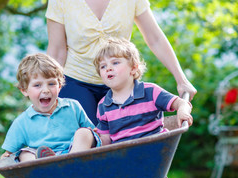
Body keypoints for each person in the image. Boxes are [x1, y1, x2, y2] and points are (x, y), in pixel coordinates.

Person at [46, 0, 197, 125]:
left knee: (128, 134)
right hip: (76, 82)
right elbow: (57, 51)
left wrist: (181, 80)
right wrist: (47, 91)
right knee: (88, 137)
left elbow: (155, 38)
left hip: (122, 82)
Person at [0, 53, 101, 162]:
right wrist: (6, 158)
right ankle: (43, 167)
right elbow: (8, 153)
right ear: (24, 90)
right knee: (25, 153)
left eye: (51, 84)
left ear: (60, 86)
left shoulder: (72, 106)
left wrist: (94, 133)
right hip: (41, 157)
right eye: (37, 85)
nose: (46, 90)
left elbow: (92, 131)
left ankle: (71, 162)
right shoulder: (22, 122)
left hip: (73, 151)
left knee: (84, 132)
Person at [94, 38, 193, 146]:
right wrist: (96, 139)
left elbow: (181, 102)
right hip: (123, 157)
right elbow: (106, 141)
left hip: (154, 150)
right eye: (103, 66)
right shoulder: (103, 106)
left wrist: (183, 111)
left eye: (115, 62)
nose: (108, 68)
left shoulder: (150, 92)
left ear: (133, 68)